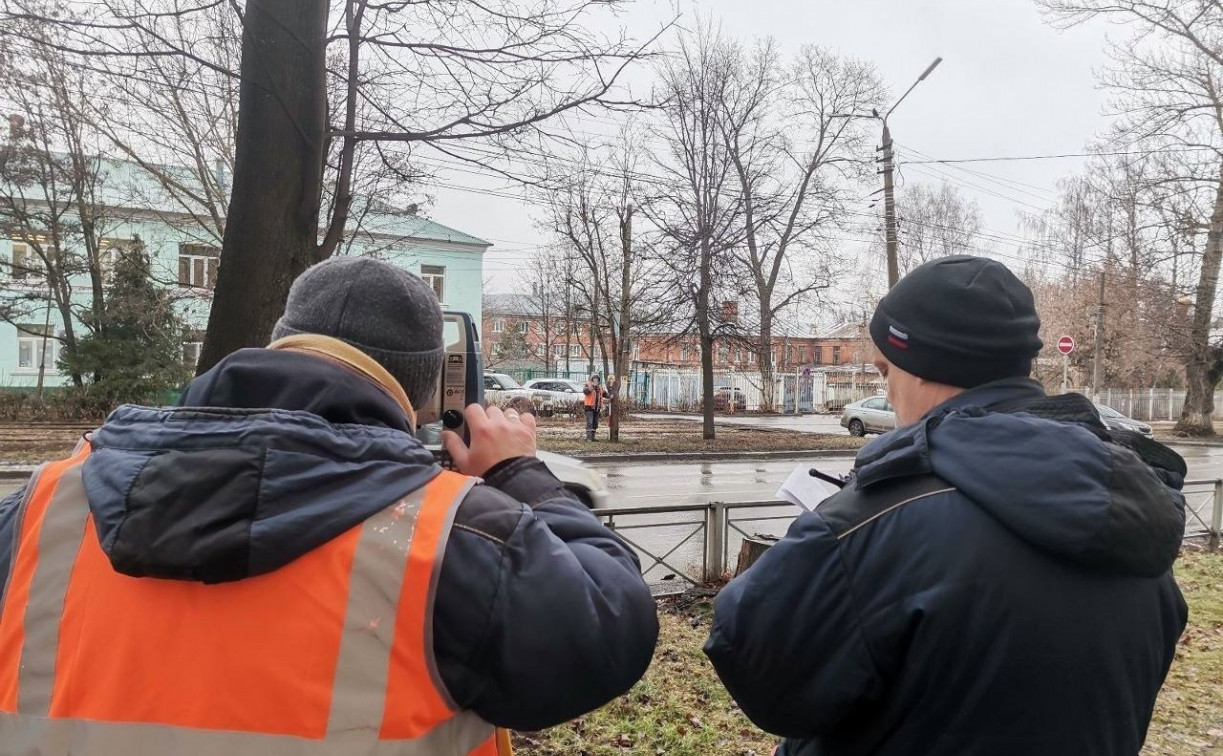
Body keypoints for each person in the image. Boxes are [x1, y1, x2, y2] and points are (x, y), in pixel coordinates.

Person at [0, 257, 658, 755]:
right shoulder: (453, 537)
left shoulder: (41, 506)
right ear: (422, 387)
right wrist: (520, 472)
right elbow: (610, 631)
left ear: (276, 342)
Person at [705, 256, 1188, 756]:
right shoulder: (1137, 513)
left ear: (922, 368)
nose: (886, 390)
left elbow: (758, 668)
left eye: (884, 369)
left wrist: (832, 536)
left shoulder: (876, 523)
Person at [583, 374, 610, 441]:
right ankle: (588, 438)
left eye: (597, 379)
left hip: (597, 408)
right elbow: (586, 392)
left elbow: (605, 394)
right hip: (589, 407)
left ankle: (593, 437)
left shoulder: (600, 387)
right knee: (590, 423)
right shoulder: (587, 385)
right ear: (592, 379)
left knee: (595, 423)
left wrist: (610, 396)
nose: (596, 380)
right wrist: (592, 386)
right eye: (594, 379)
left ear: (598, 380)